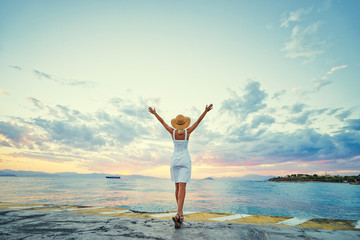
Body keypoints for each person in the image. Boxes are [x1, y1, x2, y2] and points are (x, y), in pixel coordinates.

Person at [148, 104, 213, 228]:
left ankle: (180, 214)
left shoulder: (172, 132)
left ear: (176, 124)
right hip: (185, 160)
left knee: (177, 187)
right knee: (182, 187)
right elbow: (198, 122)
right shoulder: (187, 132)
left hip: (175, 161)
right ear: (184, 124)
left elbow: (162, 122)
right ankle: (179, 213)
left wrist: (155, 113)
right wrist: (205, 111)